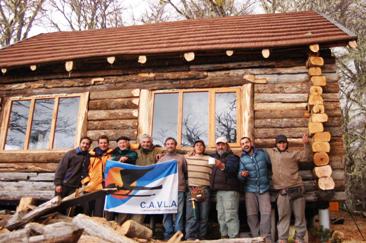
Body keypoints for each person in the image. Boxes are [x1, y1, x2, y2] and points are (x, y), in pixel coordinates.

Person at [265, 134, 311, 243]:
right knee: (283, 217)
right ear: (276, 144)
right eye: (280, 142)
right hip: (282, 192)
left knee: (300, 217)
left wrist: (306, 144)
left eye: (284, 142)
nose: (282, 144)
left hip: (297, 189)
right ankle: (282, 239)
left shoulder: (293, 154)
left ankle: (299, 238)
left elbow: (306, 157)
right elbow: (257, 151)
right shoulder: (271, 153)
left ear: (287, 144)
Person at [238, 137, 272, 241]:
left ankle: (265, 238)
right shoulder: (242, 159)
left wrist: (269, 180)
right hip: (250, 190)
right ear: (241, 146)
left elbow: (270, 166)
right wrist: (242, 175)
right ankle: (256, 237)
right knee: (252, 215)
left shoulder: (262, 153)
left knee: (266, 213)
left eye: (247, 142)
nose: (245, 145)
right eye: (243, 144)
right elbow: (239, 176)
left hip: (264, 189)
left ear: (251, 143)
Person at [211, 137, 240, 239]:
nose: (220, 146)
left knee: (230, 216)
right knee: (221, 216)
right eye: (218, 144)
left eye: (222, 144)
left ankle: (234, 238)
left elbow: (233, 170)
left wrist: (222, 166)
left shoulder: (233, 157)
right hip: (218, 191)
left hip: (230, 190)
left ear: (227, 146)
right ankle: (224, 237)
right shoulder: (213, 158)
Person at [158, 137, 187, 240]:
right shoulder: (161, 159)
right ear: (165, 146)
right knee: (166, 212)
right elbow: (158, 174)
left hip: (179, 188)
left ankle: (178, 234)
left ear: (175, 145)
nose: (170, 145)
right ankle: (168, 234)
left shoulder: (181, 158)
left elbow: (185, 172)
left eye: (172, 144)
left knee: (179, 212)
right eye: (168, 144)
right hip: (166, 190)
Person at [185, 140, 212, 240]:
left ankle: (201, 237)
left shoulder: (209, 159)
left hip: (204, 189)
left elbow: (218, 167)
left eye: (201, 145)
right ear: (194, 147)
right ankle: (191, 237)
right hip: (192, 190)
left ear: (204, 148)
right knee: (192, 215)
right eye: (197, 145)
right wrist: (161, 154)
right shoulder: (187, 158)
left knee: (203, 216)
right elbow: (175, 159)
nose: (199, 147)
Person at [133, 134, 163, 223]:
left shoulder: (156, 151)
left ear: (151, 143)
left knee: (148, 205)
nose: (146, 144)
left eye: (148, 142)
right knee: (137, 204)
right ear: (140, 143)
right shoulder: (136, 153)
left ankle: (148, 227)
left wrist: (162, 155)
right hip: (139, 182)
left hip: (152, 182)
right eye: (144, 142)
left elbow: (166, 152)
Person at [82, 135, 113, 217]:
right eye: (101, 143)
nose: (103, 145)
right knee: (87, 210)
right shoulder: (91, 154)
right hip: (90, 185)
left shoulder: (112, 154)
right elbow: (84, 169)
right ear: (98, 144)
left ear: (108, 144)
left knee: (99, 211)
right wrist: (86, 181)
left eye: (105, 143)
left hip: (102, 186)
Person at [109, 135, 138, 223]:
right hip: (114, 180)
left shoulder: (132, 152)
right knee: (112, 200)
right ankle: (109, 222)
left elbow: (133, 156)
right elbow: (111, 159)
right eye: (120, 143)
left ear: (128, 143)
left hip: (127, 181)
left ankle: (121, 224)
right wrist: (118, 158)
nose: (122, 144)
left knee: (125, 201)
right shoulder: (113, 153)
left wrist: (126, 158)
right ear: (118, 144)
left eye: (124, 142)